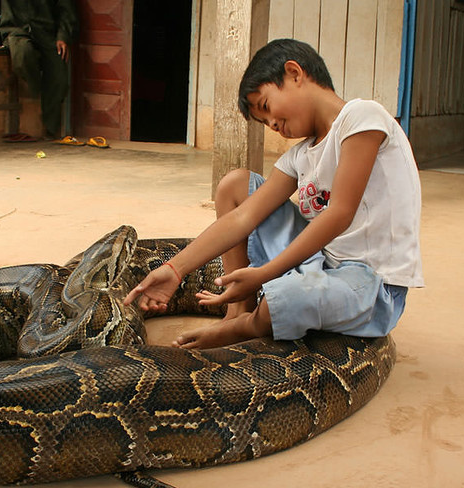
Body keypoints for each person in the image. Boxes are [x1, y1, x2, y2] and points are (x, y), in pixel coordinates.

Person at [123, 38, 424, 349]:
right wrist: (175, 268)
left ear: (295, 73)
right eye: (264, 122)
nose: (272, 124)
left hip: (371, 286)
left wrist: (265, 273)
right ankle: (239, 308)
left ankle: (247, 324)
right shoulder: (300, 155)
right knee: (234, 185)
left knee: (284, 302)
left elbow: (339, 214)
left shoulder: (362, 116)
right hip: (321, 263)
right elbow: (243, 215)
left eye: (266, 107)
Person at [0, 0, 78, 140]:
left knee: (59, 75)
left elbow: (66, 11)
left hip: (47, 33)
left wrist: (62, 37)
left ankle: (50, 129)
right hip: (17, 32)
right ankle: (35, 97)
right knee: (23, 54)